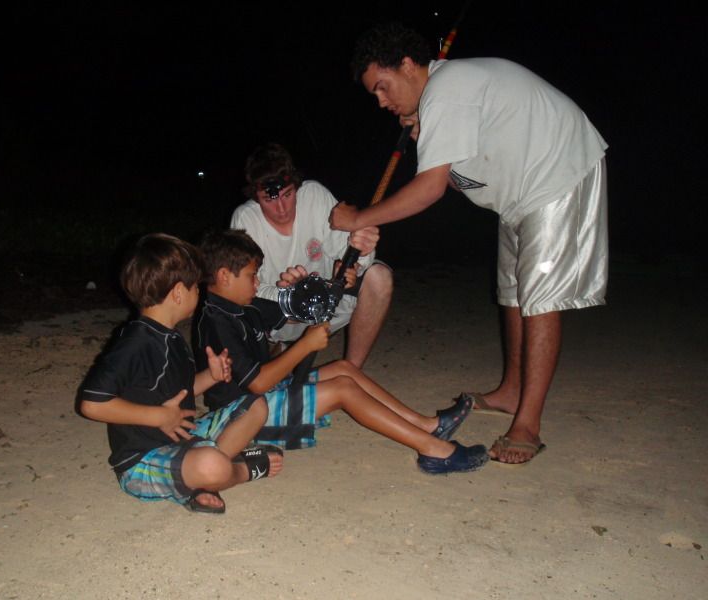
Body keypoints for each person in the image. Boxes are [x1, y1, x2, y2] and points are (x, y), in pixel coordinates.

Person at [331, 23, 608, 465]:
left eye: (382, 87)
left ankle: (528, 423)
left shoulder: (447, 89)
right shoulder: (441, 103)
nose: (381, 101)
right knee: (514, 291)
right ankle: (511, 391)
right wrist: (425, 135)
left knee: (540, 297)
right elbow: (456, 182)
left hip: (558, 169)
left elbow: (428, 190)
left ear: (407, 65)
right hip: (519, 194)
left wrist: (360, 218)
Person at [193, 229, 488, 475]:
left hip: (262, 397)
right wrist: (305, 345)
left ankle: (427, 426)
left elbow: (298, 309)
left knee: (344, 368)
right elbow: (257, 383)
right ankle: (434, 451)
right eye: (252, 276)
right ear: (224, 276)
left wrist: (332, 286)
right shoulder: (216, 322)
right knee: (343, 389)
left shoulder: (246, 306)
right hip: (241, 418)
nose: (258, 283)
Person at [76, 233, 283, 514]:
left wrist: (210, 376)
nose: (200, 292)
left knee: (255, 405)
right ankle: (240, 471)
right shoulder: (135, 343)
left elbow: (179, 392)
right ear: (177, 293)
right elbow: (91, 404)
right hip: (143, 461)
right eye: (196, 286)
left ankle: (202, 479)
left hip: (183, 437)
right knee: (211, 464)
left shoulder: (170, 337)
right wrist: (160, 417)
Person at [230, 142, 392, 368]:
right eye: (270, 199)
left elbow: (351, 251)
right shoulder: (245, 219)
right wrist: (293, 296)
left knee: (379, 276)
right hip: (282, 319)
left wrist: (357, 262)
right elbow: (244, 289)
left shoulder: (314, 195)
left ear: (296, 185)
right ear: (256, 196)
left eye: (288, 194)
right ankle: (283, 347)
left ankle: (351, 369)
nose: (282, 209)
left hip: (327, 308)